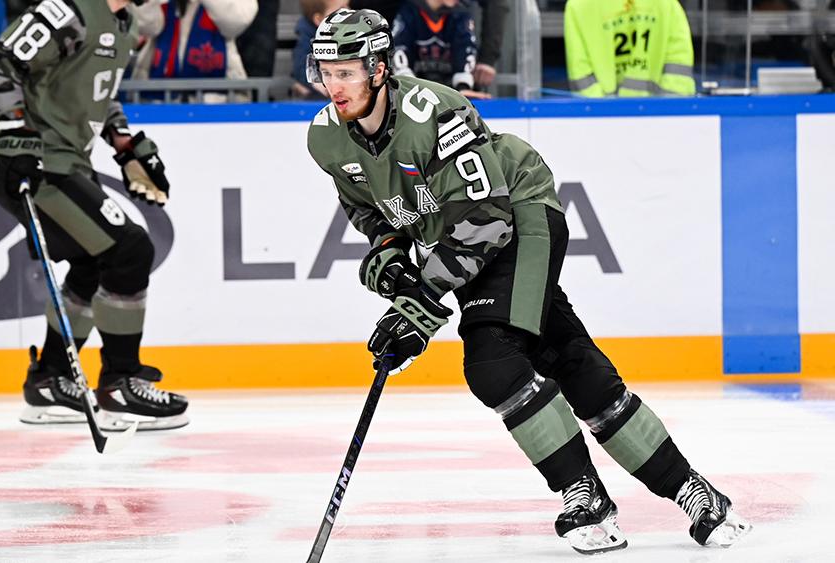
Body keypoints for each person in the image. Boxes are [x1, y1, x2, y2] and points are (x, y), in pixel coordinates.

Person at [305, 8, 751, 553]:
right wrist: (392, 256)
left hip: (519, 211)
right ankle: (692, 490)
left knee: (492, 359)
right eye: (326, 73)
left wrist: (422, 299)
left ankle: (585, 496)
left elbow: (488, 218)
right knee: (564, 357)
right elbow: (371, 210)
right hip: (462, 238)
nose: (334, 86)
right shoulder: (326, 138)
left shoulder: (436, 111)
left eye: (347, 72)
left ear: (378, 70)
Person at [0, 0, 189, 431]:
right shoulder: (68, 10)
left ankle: (50, 378)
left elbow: (94, 90)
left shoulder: (122, 20)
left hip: (61, 158)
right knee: (129, 249)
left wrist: (123, 143)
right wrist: (16, 130)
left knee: (94, 260)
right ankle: (120, 382)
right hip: (25, 158)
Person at [564, 0, 695, 97]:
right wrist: (667, 113)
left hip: (601, 118)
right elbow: (678, 68)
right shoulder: (667, 4)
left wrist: (603, 114)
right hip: (661, 118)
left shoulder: (578, 6)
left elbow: (580, 73)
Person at [391, 0, 485, 98]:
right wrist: (409, 87)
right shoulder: (408, 12)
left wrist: (463, 86)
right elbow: (399, 49)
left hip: (451, 94)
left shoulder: (460, 14)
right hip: (414, 93)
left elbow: (466, 49)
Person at [291, 0, 348, 99]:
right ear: (319, 19)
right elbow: (301, 67)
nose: (349, 11)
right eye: (341, 10)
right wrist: (315, 83)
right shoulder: (308, 36)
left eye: (347, 5)